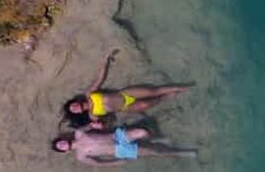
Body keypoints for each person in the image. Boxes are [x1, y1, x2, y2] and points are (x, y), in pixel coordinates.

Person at [63, 50, 192, 127]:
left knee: (153, 91)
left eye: (72, 106)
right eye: (74, 110)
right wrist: (101, 124)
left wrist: (106, 61)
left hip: (125, 94)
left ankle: (183, 87)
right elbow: (108, 122)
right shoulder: (93, 115)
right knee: (149, 103)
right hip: (125, 107)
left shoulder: (89, 94)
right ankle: (165, 97)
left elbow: (100, 79)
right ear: (78, 114)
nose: (75, 108)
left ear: (75, 102)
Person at [52, 122, 197, 166]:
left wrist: (97, 125)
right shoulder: (81, 156)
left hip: (118, 136)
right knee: (155, 152)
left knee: (143, 131)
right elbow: (98, 163)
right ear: (64, 151)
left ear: (62, 139)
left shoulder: (79, 133)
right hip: (120, 150)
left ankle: (154, 140)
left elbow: (90, 125)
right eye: (60, 147)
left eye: (60, 143)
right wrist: (115, 162)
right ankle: (182, 152)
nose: (62, 145)